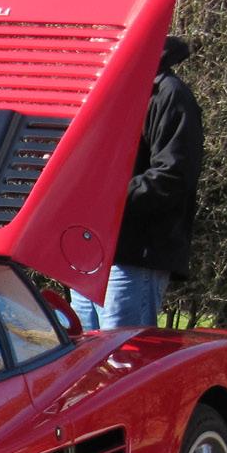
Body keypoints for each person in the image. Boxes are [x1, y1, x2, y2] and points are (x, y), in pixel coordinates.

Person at [71, 35, 205, 331]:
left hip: (134, 253)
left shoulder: (169, 94)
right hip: (88, 252)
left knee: (124, 352)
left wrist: (106, 199)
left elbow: (173, 175)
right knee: (84, 353)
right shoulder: (104, 92)